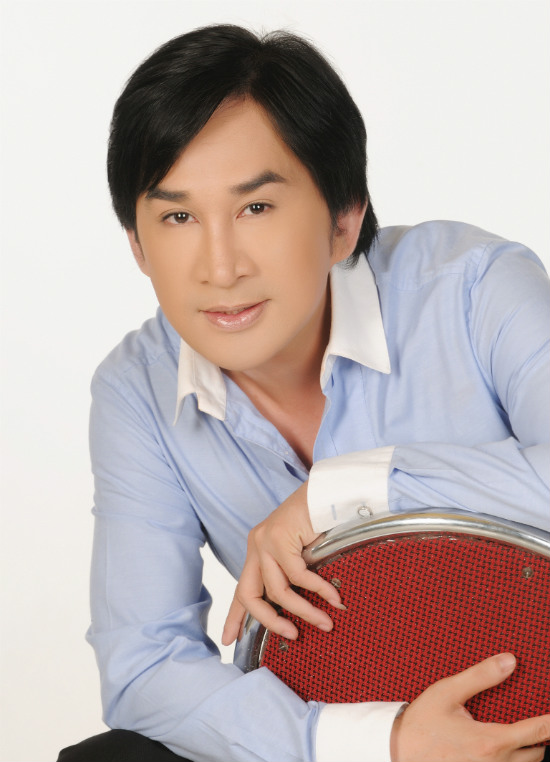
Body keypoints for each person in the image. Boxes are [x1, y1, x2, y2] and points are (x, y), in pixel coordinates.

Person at [57, 23, 550, 762]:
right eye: (178, 217)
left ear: (343, 220)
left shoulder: (474, 288)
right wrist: (380, 743)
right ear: (137, 245)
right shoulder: (137, 390)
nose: (220, 267)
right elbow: (144, 663)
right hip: (355, 716)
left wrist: (343, 492)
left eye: (255, 208)